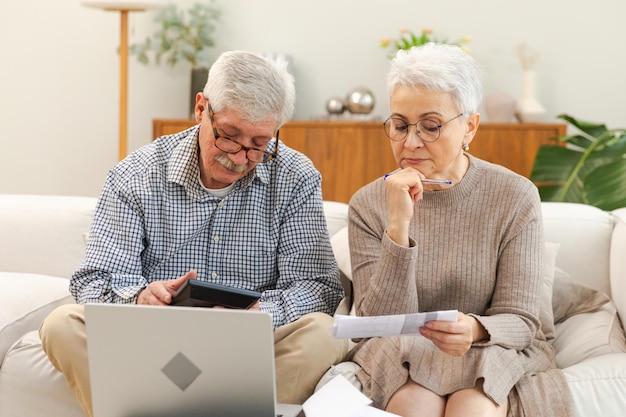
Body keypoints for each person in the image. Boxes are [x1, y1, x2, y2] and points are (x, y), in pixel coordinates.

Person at [39, 50, 347, 417]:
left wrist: (260, 312)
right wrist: (140, 298)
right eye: (229, 136)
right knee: (61, 325)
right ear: (201, 108)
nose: (239, 156)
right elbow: (95, 279)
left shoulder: (295, 176)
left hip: (250, 345)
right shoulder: (135, 175)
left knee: (323, 333)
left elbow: (319, 287)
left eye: (259, 144)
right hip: (151, 341)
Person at [346, 43, 573, 417]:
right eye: (400, 125)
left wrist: (475, 329)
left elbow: (521, 321)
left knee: (473, 409)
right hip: (401, 352)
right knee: (413, 403)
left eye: (431, 126)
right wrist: (399, 226)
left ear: (469, 126)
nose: (411, 142)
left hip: (488, 348)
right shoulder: (369, 204)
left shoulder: (515, 196)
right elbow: (379, 326)